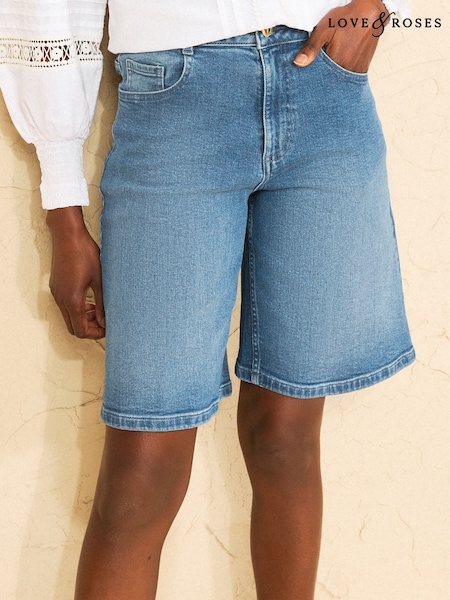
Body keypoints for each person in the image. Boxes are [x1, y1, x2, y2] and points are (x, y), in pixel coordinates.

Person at [0, 1, 414, 598]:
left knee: (287, 441)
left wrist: (375, 10)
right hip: (175, 99)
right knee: (141, 473)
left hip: (326, 90)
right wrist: (63, 211)